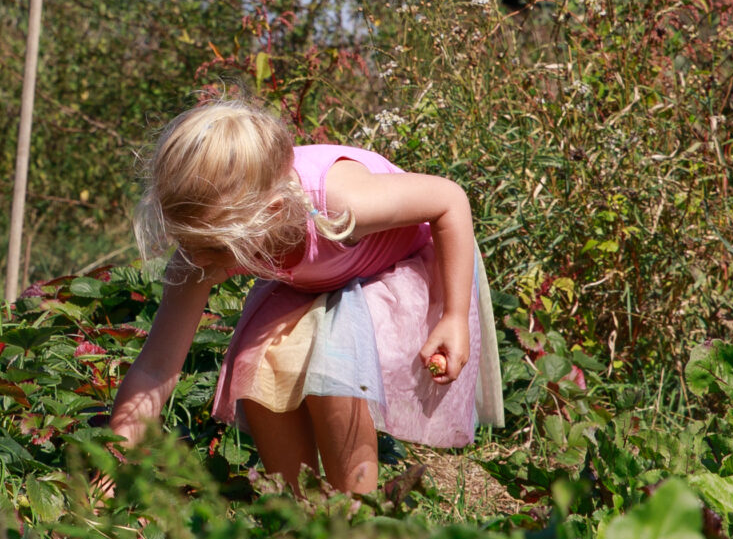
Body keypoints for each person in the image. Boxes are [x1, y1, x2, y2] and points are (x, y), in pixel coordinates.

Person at [106, 94, 499, 494]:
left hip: (408, 266)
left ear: (273, 212)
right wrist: (112, 461)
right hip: (319, 278)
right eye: (192, 245)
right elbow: (156, 368)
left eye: (217, 249)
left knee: (333, 367)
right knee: (256, 367)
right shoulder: (204, 247)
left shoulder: (343, 203)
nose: (199, 261)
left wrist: (452, 315)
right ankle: (301, 513)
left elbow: (449, 200)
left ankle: (356, 509)